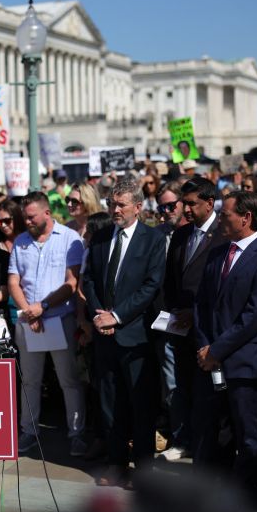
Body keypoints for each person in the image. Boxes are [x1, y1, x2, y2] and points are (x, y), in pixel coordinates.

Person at [193, 190, 257, 490]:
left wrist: (217, 349)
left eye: (226, 214)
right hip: (212, 362)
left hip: (245, 363)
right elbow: (203, 304)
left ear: (246, 218)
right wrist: (206, 347)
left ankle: (244, 495)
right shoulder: (218, 253)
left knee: (246, 433)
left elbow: (254, 316)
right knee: (213, 429)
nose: (220, 218)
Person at [82, 177, 167, 487]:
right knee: (109, 401)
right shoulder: (102, 237)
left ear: (138, 207)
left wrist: (116, 317)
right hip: (104, 337)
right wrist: (99, 315)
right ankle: (116, 462)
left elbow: (150, 286)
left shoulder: (153, 239)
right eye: (111, 204)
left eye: (120, 205)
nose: (115, 209)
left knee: (140, 405)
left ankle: (143, 467)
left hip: (135, 336)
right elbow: (88, 279)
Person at [8, 192, 87, 456]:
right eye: (25, 217)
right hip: (28, 321)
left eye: (31, 217)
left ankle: (76, 433)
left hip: (59, 319)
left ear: (47, 213)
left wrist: (42, 307)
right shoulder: (20, 242)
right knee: (29, 380)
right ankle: (29, 431)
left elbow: (72, 282)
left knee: (69, 380)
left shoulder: (69, 239)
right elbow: (13, 281)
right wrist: (28, 311)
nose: (27, 221)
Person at [159, 177, 227, 462]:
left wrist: (196, 314)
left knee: (208, 393)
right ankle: (183, 438)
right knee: (179, 387)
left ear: (209, 203)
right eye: (183, 203)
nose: (185, 210)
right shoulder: (181, 235)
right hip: (179, 328)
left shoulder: (224, 235)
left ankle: (209, 449)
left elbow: (222, 287)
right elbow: (172, 280)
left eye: (191, 204)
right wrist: (172, 313)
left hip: (208, 330)